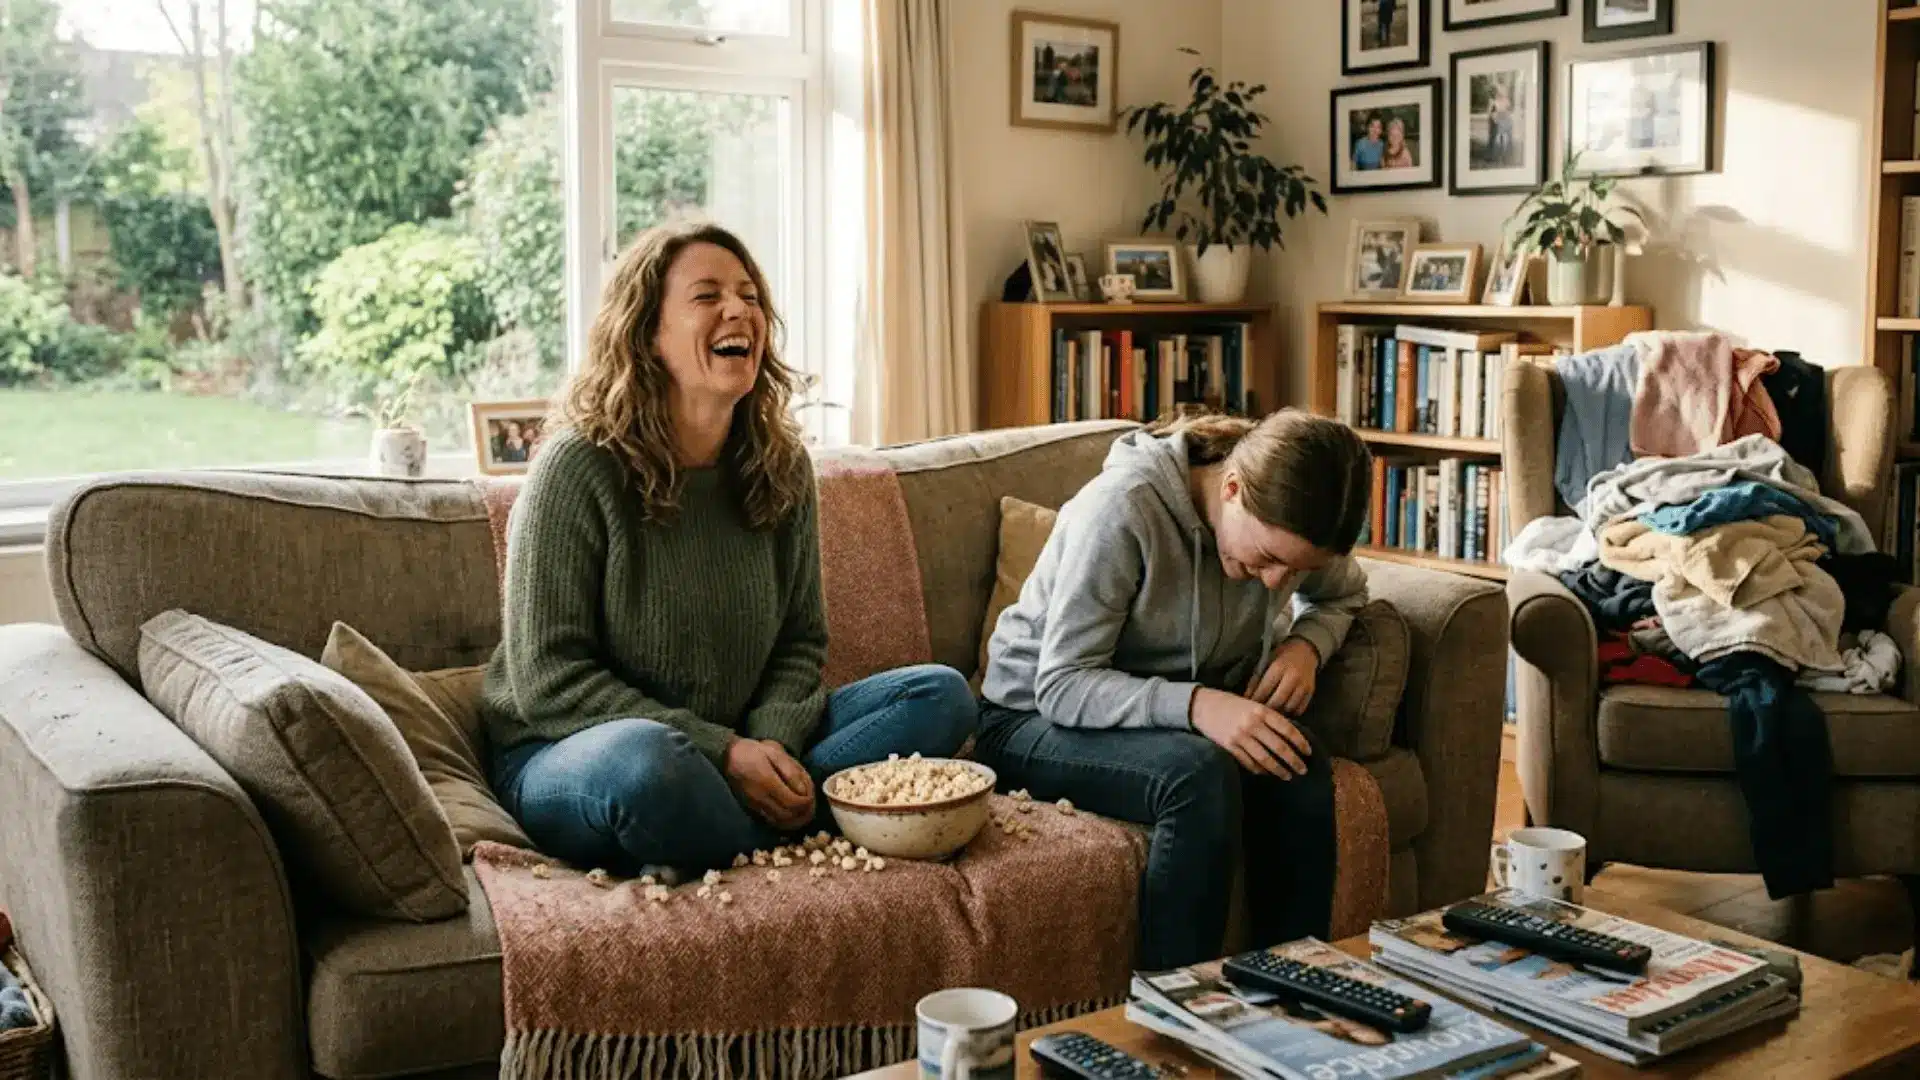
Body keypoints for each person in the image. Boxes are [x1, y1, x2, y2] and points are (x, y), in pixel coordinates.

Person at [483, 220, 977, 877]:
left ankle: (738, 830)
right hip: (570, 752)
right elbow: (549, 681)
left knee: (939, 697)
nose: (739, 309)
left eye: (748, 294)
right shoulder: (575, 469)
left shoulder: (781, 466)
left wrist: (770, 743)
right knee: (649, 767)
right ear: (646, 332)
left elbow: (801, 642)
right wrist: (725, 754)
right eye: (707, 295)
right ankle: (804, 825)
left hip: (738, 742)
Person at [977, 409, 1372, 969]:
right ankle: (1175, 1012)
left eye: (1295, 571)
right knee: (1195, 775)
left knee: (1297, 761)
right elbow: (1062, 683)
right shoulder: (1122, 509)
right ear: (1232, 488)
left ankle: (1292, 989)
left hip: (1158, 720)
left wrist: (1305, 647)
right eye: (1268, 559)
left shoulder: (1295, 527)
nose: (1276, 582)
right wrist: (1200, 706)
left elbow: (1343, 595)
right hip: (1027, 721)